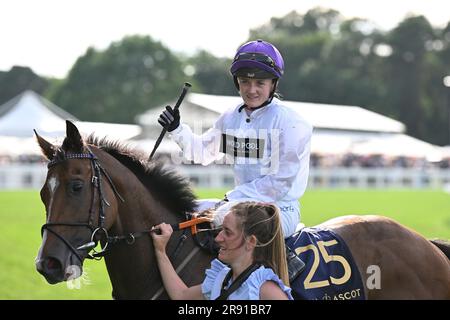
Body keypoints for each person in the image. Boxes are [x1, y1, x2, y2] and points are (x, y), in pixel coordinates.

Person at [158, 39, 312, 281]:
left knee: (224, 218)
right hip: (238, 204)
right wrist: (177, 129)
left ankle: (281, 266)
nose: (252, 90)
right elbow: (202, 153)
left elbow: (280, 182)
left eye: (260, 83)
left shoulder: (291, 122)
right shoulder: (230, 117)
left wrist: (232, 199)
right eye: (245, 82)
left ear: (273, 84)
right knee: (181, 212)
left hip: (280, 208)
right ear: (237, 83)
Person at [150, 202, 293, 300]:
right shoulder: (222, 279)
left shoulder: (265, 290)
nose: (218, 238)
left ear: (251, 242)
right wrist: (160, 250)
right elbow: (181, 295)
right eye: (221, 230)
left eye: (227, 232)